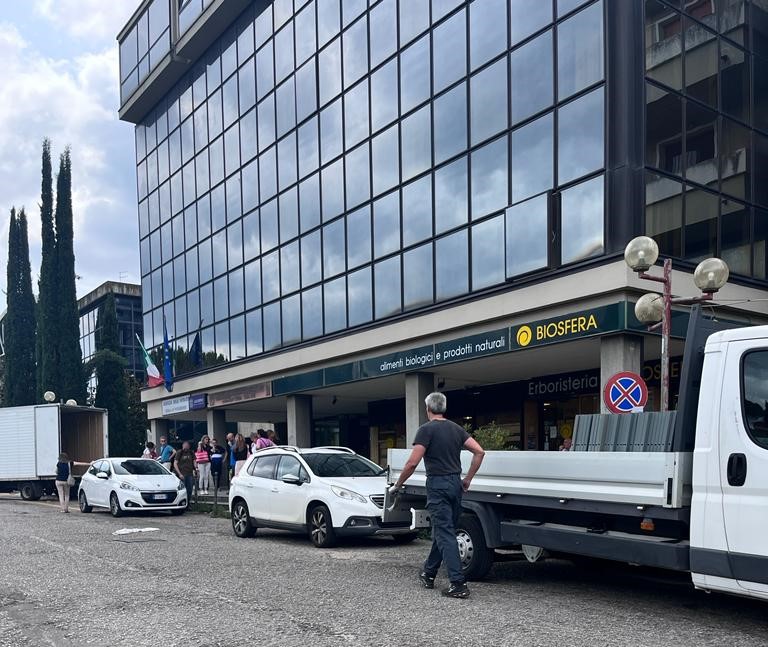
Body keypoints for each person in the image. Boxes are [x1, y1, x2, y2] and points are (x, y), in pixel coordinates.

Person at [389, 392, 485, 599]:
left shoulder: (426, 430)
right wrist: (467, 478)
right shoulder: (456, 429)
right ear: (444, 408)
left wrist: (397, 484)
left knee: (445, 533)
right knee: (445, 531)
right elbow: (479, 452)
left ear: (428, 409)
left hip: (438, 485)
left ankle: (458, 584)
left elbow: (412, 463)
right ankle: (429, 573)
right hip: (455, 484)